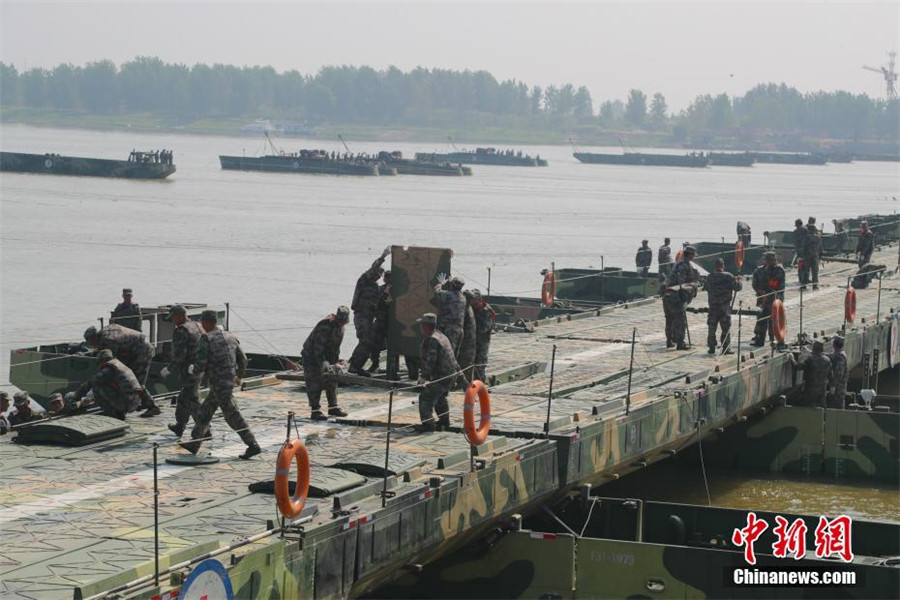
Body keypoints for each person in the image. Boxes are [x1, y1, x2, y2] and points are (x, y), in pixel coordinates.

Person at [180, 311, 261, 459]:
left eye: (202, 323)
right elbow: (243, 359)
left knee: (232, 415)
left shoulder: (206, 338)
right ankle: (195, 443)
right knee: (205, 412)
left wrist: (193, 371)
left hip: (218, 383)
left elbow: (202, 363)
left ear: (206, 322)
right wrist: (239, 377)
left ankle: (252, 444)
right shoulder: (231, 336)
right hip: (227, 381)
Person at [84, 323, 159, 417]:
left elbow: (113, 363)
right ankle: (136, 404)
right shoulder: (106, 332)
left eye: (91, 343)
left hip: (142, 351)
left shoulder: (108, 340)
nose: (93, 346)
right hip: (135, 350)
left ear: (94, 338)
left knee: (136, 380)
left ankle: (152, 407)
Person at [160, 305, 205, 437]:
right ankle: (180, 426)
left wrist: (169, 369)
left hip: (188, 370)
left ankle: (204, 429)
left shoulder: (181, 331)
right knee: (183, 398)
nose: (173, 320)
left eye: (173, 317)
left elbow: (180, 355)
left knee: (192, 400)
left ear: (180, 315)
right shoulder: (197, 325)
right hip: (199, 367)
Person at [301, 306, 350, 421]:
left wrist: (335, 363)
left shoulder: (340, 327)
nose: (342, 324)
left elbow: (335, 348)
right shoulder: (325, 326)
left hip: (327, 357)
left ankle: (333, 407)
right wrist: (322, 363)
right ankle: (315, 411)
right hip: (311, 357)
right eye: (340, 321)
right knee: (314, 382)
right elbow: (318, 347)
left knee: (332, 380)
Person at [348, 247, 390, 376]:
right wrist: (383, 256)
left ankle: (356, 365)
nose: (378, 276)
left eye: (380, 274)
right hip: (361, 316)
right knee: (365, 341)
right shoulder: (364, 281)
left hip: (369, 318)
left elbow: (381, 301)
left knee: (370, 342)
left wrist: (388, 292)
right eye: (377, 273)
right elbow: (374, 267)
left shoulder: (376, 288)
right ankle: (355, 366)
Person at [416, 313, 460, 432]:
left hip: (441, 377)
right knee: (440, 398)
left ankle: (428, 426)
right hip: (450, 375)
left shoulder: (432, 339)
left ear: (425, 326)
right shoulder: (441, 335)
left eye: (421, 325)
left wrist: (423, 377)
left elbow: (431, 361)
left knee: (426, 399)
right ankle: (444, 422)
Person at [68, 350, 142, 420]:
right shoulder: (119, 365)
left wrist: (76, 397)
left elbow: (90, 383)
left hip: (127, 404)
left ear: (102, 361)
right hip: (136, 402)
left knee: (97, 387)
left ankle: (113, 414)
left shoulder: (108, 370)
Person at [662, 245, 700, 350]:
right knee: (680, 320)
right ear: (690, 255)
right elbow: (682, 284)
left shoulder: (677, 263)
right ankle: (680, 343)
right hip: (676, 295)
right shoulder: (685, 265)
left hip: (667, 294)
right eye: (693, 255)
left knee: (669, 319)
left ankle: (669, 341)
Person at [705, 257, 742, 354]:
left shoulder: (710, 277)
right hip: (724, 306)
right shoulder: (729, 276)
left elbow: (706, 288)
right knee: (725, 327)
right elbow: (737, 288)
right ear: (723, 265)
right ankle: (726, 348)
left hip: (713, 306)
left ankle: (711, 347)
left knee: (712, 327)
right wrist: (738, 281)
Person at [751, 251, 786, 348]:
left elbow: (780, 287)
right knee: (761, 319)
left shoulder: (778, 270)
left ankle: (774, 339)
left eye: (773, 260)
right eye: (769, 261)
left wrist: (772, 294)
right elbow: (754, 284)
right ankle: (759, 339)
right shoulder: (759, 271)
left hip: (775, 299)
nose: (772, 262)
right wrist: (760, 291)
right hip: (763, 299)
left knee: (774, 320)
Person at [433, 274, 467, 355]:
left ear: (451, 285)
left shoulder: (447, 295)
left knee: (447, 353)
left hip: (449, 330)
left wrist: (441, 283)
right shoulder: (463, 298)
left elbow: (436, 290)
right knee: (454, 354)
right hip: (459, 330)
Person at [792, 341, 831, 408]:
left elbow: (798, 367)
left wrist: (791, 358)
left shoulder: (810, 360)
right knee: (822, 409)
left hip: (810, 392)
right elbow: (831, 376)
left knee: (808, 409)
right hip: (822, 392)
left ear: (814, 349)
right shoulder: (827, 360)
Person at [369, 270, 392, 374]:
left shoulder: (398, 289)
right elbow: (377, 303)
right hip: (381, 321)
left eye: (390, 277)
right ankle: (375, 364)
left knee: (394, 346)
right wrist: (385, 293)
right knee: (375, 345)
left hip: (393, 323)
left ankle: (392, 368)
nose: (388, 279)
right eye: (386, 277)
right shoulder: (380, 289)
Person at [471, 289, 495, 383]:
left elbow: (484, 328)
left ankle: (480, 385)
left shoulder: (486, 312)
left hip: (481, 344)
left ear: (480, 300)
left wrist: (472, 323)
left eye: (475, 303)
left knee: (479, 366)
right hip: (471, 344)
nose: (473, 305)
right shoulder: (473, 309)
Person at [457, 291, 477, 386]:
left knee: (464, 364)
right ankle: (467, 384)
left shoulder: (465, 309)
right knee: (467, 364)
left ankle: (466, 385)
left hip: (466, 342)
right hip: (470, 341)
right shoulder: (469, 308)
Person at [799, 219, 822, 290]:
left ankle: (803, 285)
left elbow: (803, 248)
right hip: (815, 256)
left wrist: (801, 256)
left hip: (807, 257)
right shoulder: (818, 238)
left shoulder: (805, 238)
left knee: (806, 272)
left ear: (808, 230)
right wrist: (820, 257)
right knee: (815, 272)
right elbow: (820, 248)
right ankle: (815, 286)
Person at [829, 337, 848, 409]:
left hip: (838, 387)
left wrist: (833, 386)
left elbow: (838, 373)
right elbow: (830, 356)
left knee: (837, 405)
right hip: (839, 386)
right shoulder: (838, 354)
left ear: (834, 345)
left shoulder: (840, 357)